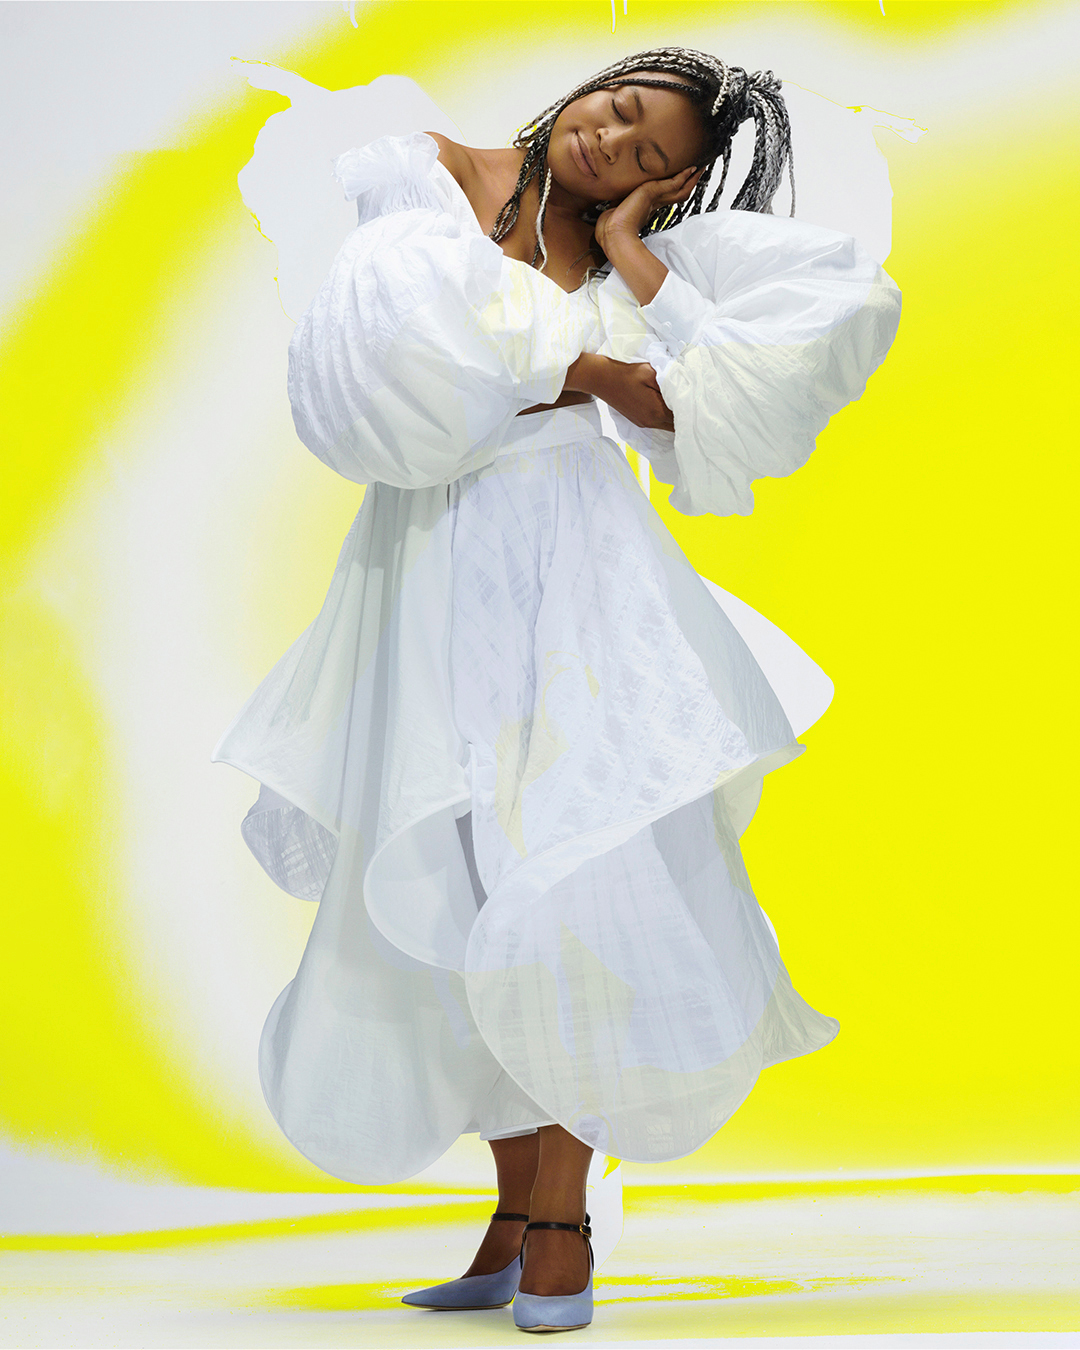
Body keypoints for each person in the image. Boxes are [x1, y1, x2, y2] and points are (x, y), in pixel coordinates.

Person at [212, 47, 900, 1334]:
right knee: (467, 878)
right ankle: (510, 1212)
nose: (611, 144)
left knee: (576, 873)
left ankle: (563, 1222)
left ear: (674, 183)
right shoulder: (424, 177)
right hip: (436, 562)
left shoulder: (653, 262)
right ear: (590, 86)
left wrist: (631, 255)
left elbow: (737, 398)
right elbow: (388, 367)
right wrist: (583, 370)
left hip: (583, 577)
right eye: (617, 110)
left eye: (650, 158)